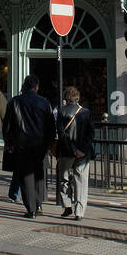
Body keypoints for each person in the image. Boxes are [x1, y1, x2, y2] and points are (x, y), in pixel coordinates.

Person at [3, 74, 55, 219]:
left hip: (22, 145)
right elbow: (51, 126)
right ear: (36, 87)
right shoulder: (44, 102)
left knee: (25, 177)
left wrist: (9, 142)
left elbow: (7, 126)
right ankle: (38, 205)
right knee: (39, 175)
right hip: (40, 145)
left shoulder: (14, 102)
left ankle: (30, 208)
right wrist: (49, 144)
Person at [55, 86, 95, 219]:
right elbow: (91, 134)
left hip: (66, 151)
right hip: (83, 153)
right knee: (81, 181)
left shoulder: (62, 112)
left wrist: (73, 149)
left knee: (64, 179)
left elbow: (62, 134)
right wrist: (82, 150)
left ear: (66, 98)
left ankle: (67, 206)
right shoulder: (86, 112)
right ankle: (79, 211)